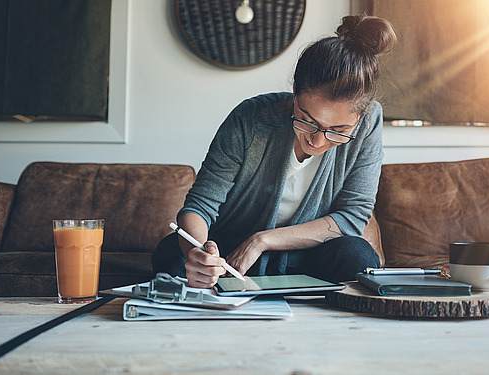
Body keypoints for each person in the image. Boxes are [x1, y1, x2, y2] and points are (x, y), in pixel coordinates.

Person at [152, 14, 397, 288]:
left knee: (359, 257)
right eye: (307, 120)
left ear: (360, 118)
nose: (317, 141)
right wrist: (198, 256)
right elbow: (199, 206)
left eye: (338, 131)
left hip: (306, 257)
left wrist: (263, 240)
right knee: (171, 253)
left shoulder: (369, 122)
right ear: (295, 92)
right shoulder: (250, 119)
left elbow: (351, 217)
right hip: (231, 259)